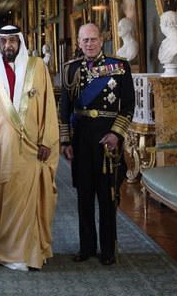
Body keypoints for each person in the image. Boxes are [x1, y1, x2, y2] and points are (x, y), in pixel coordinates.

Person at [0, 24, 59, 271]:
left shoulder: (38, 66)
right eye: (3, 41)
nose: (8, 45)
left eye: (12, 41)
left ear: (20, 42)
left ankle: (30, 254)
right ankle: (5, 250)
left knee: (30, 199)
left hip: (33, 147)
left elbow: (48, 106)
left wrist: (46, 141)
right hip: (0, 149)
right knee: (5, 199)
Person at [60, 23, 134, 266]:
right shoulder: (70, 69)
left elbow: (128, 106)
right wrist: (65, 140)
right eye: (85, 40)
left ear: (102, 41)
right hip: (81, 141)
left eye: (93, 39)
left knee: (107, 196)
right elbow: (64, 109)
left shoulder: (119, 67)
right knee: (83, 197)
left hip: (107, 141)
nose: (89, 44)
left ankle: (108, 249)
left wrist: (116, 134)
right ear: (79, 43)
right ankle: (86, 247)